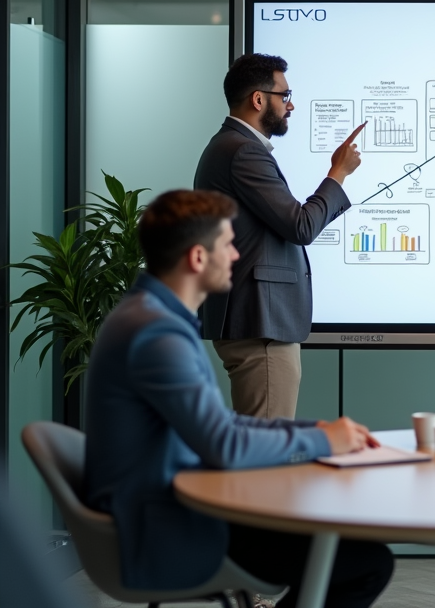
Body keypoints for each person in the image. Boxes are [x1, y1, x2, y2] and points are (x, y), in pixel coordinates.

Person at [84, 190, 393, 608]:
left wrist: (318, 430)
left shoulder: (151, 317)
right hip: (166, 530)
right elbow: (225, 445)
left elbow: (221, 425)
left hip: (169, 509)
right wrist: (323, 443)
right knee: (366, 561)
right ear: (197, 258)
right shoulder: (157, 335)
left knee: (346, 548)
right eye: (229, 244)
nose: (236, 255)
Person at [195, 53, 363, 419]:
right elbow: (300, 226)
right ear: (259, 100)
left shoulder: (231, 147)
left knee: (264, 445)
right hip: (261, 326)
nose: (291, 105)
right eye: (284, 95)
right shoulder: (243, 153)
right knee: (267, 452)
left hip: (258, 323)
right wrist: (338, 173)